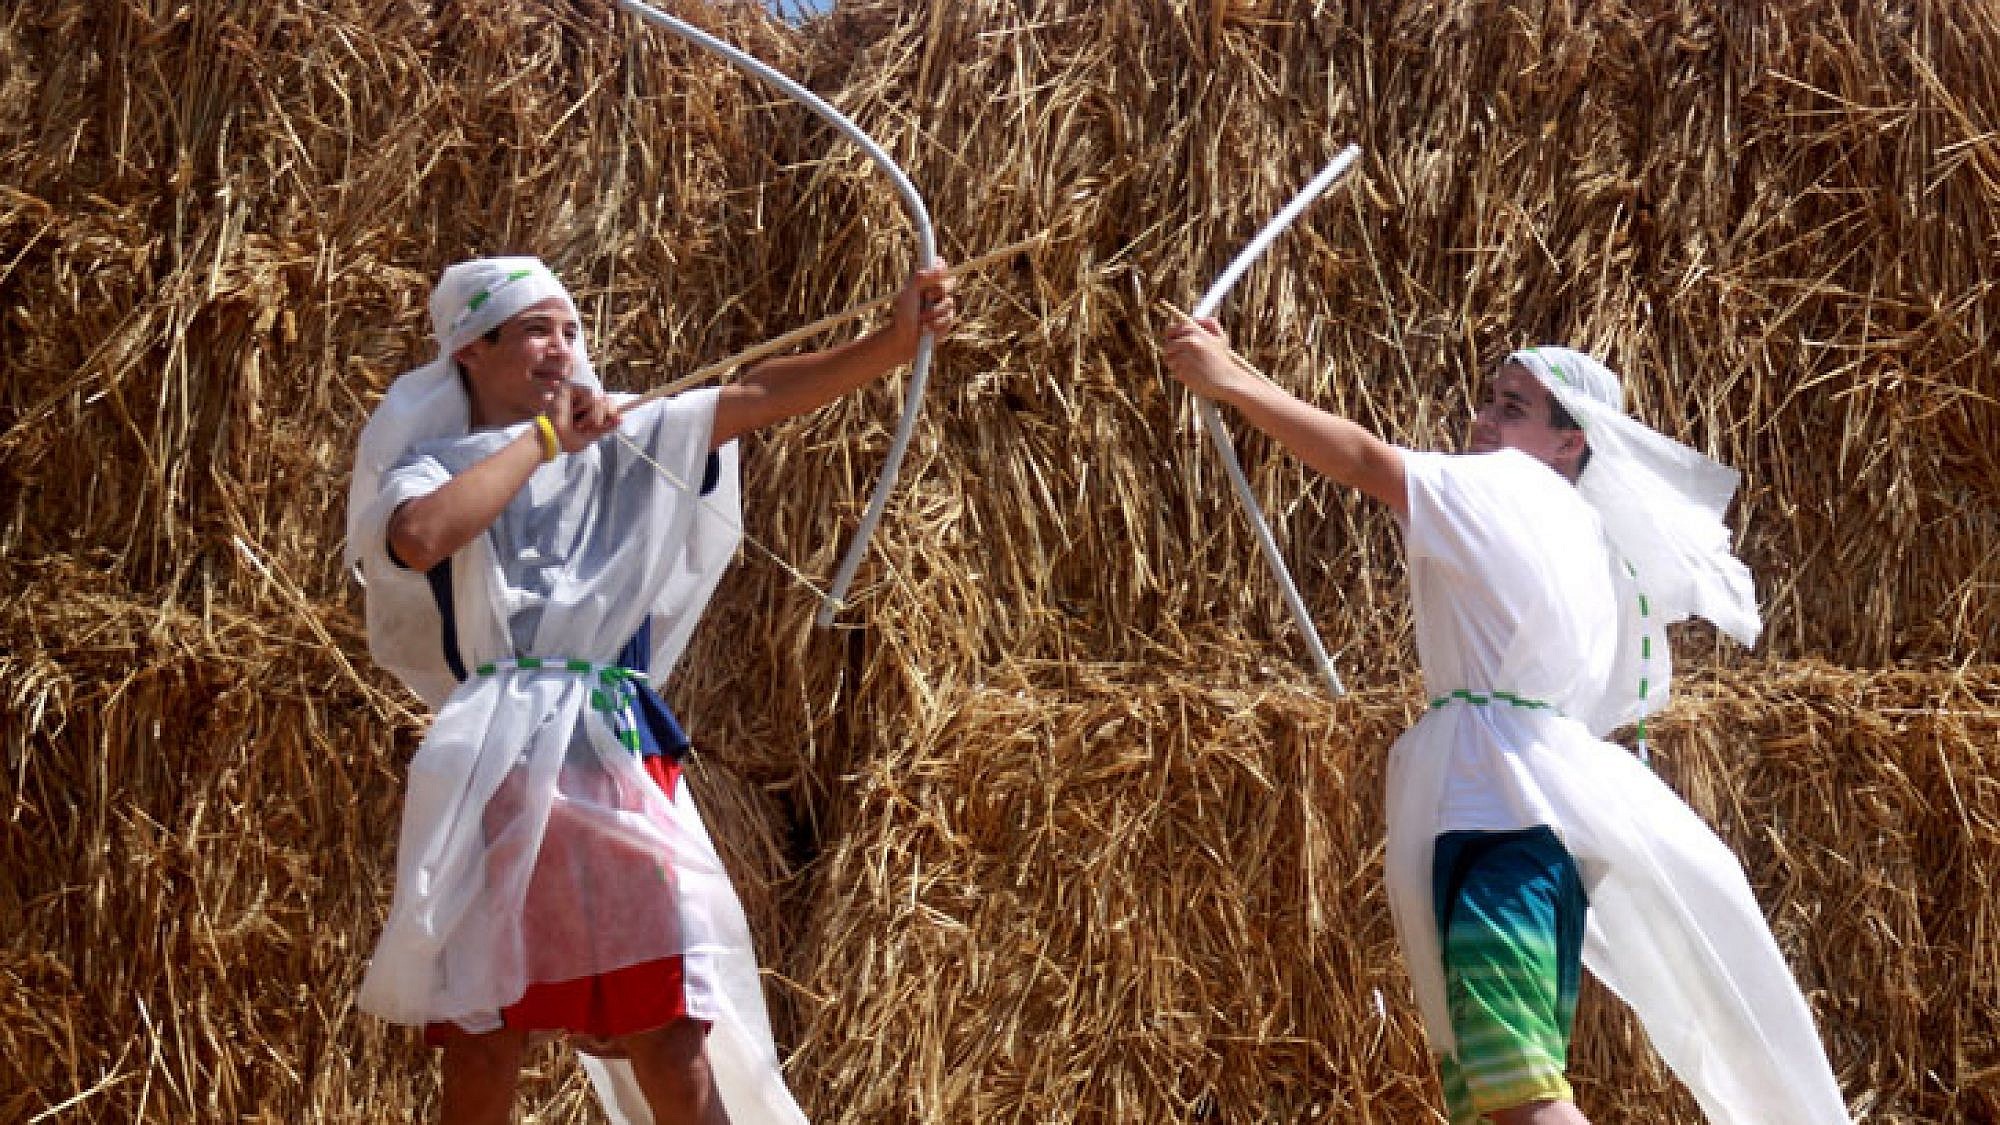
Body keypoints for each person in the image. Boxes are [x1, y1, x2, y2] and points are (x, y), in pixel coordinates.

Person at [1160, 323, 1848, 1125]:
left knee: (1519, 1092)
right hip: (1511, 820)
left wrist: (1232, 383)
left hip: (1501, 827)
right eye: (1489, 401)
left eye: (1512, 407)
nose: (1484, 419)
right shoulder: (1579, 533)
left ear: (1568, 442)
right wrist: (1231, 369)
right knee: (1500, 1091)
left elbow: (1364, 461)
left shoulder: (1515, 489)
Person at [345, 255, 954, 1124]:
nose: (561, 348)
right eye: (534, 331)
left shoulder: (625, 437)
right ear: (472, 351)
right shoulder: (437, 463)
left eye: (570, 330)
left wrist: (889, 344)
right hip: (497, 759)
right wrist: (541, 441)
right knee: (484, 1036)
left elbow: (754, 395)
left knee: (667, 1026)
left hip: (609, 752)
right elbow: (420, 537)